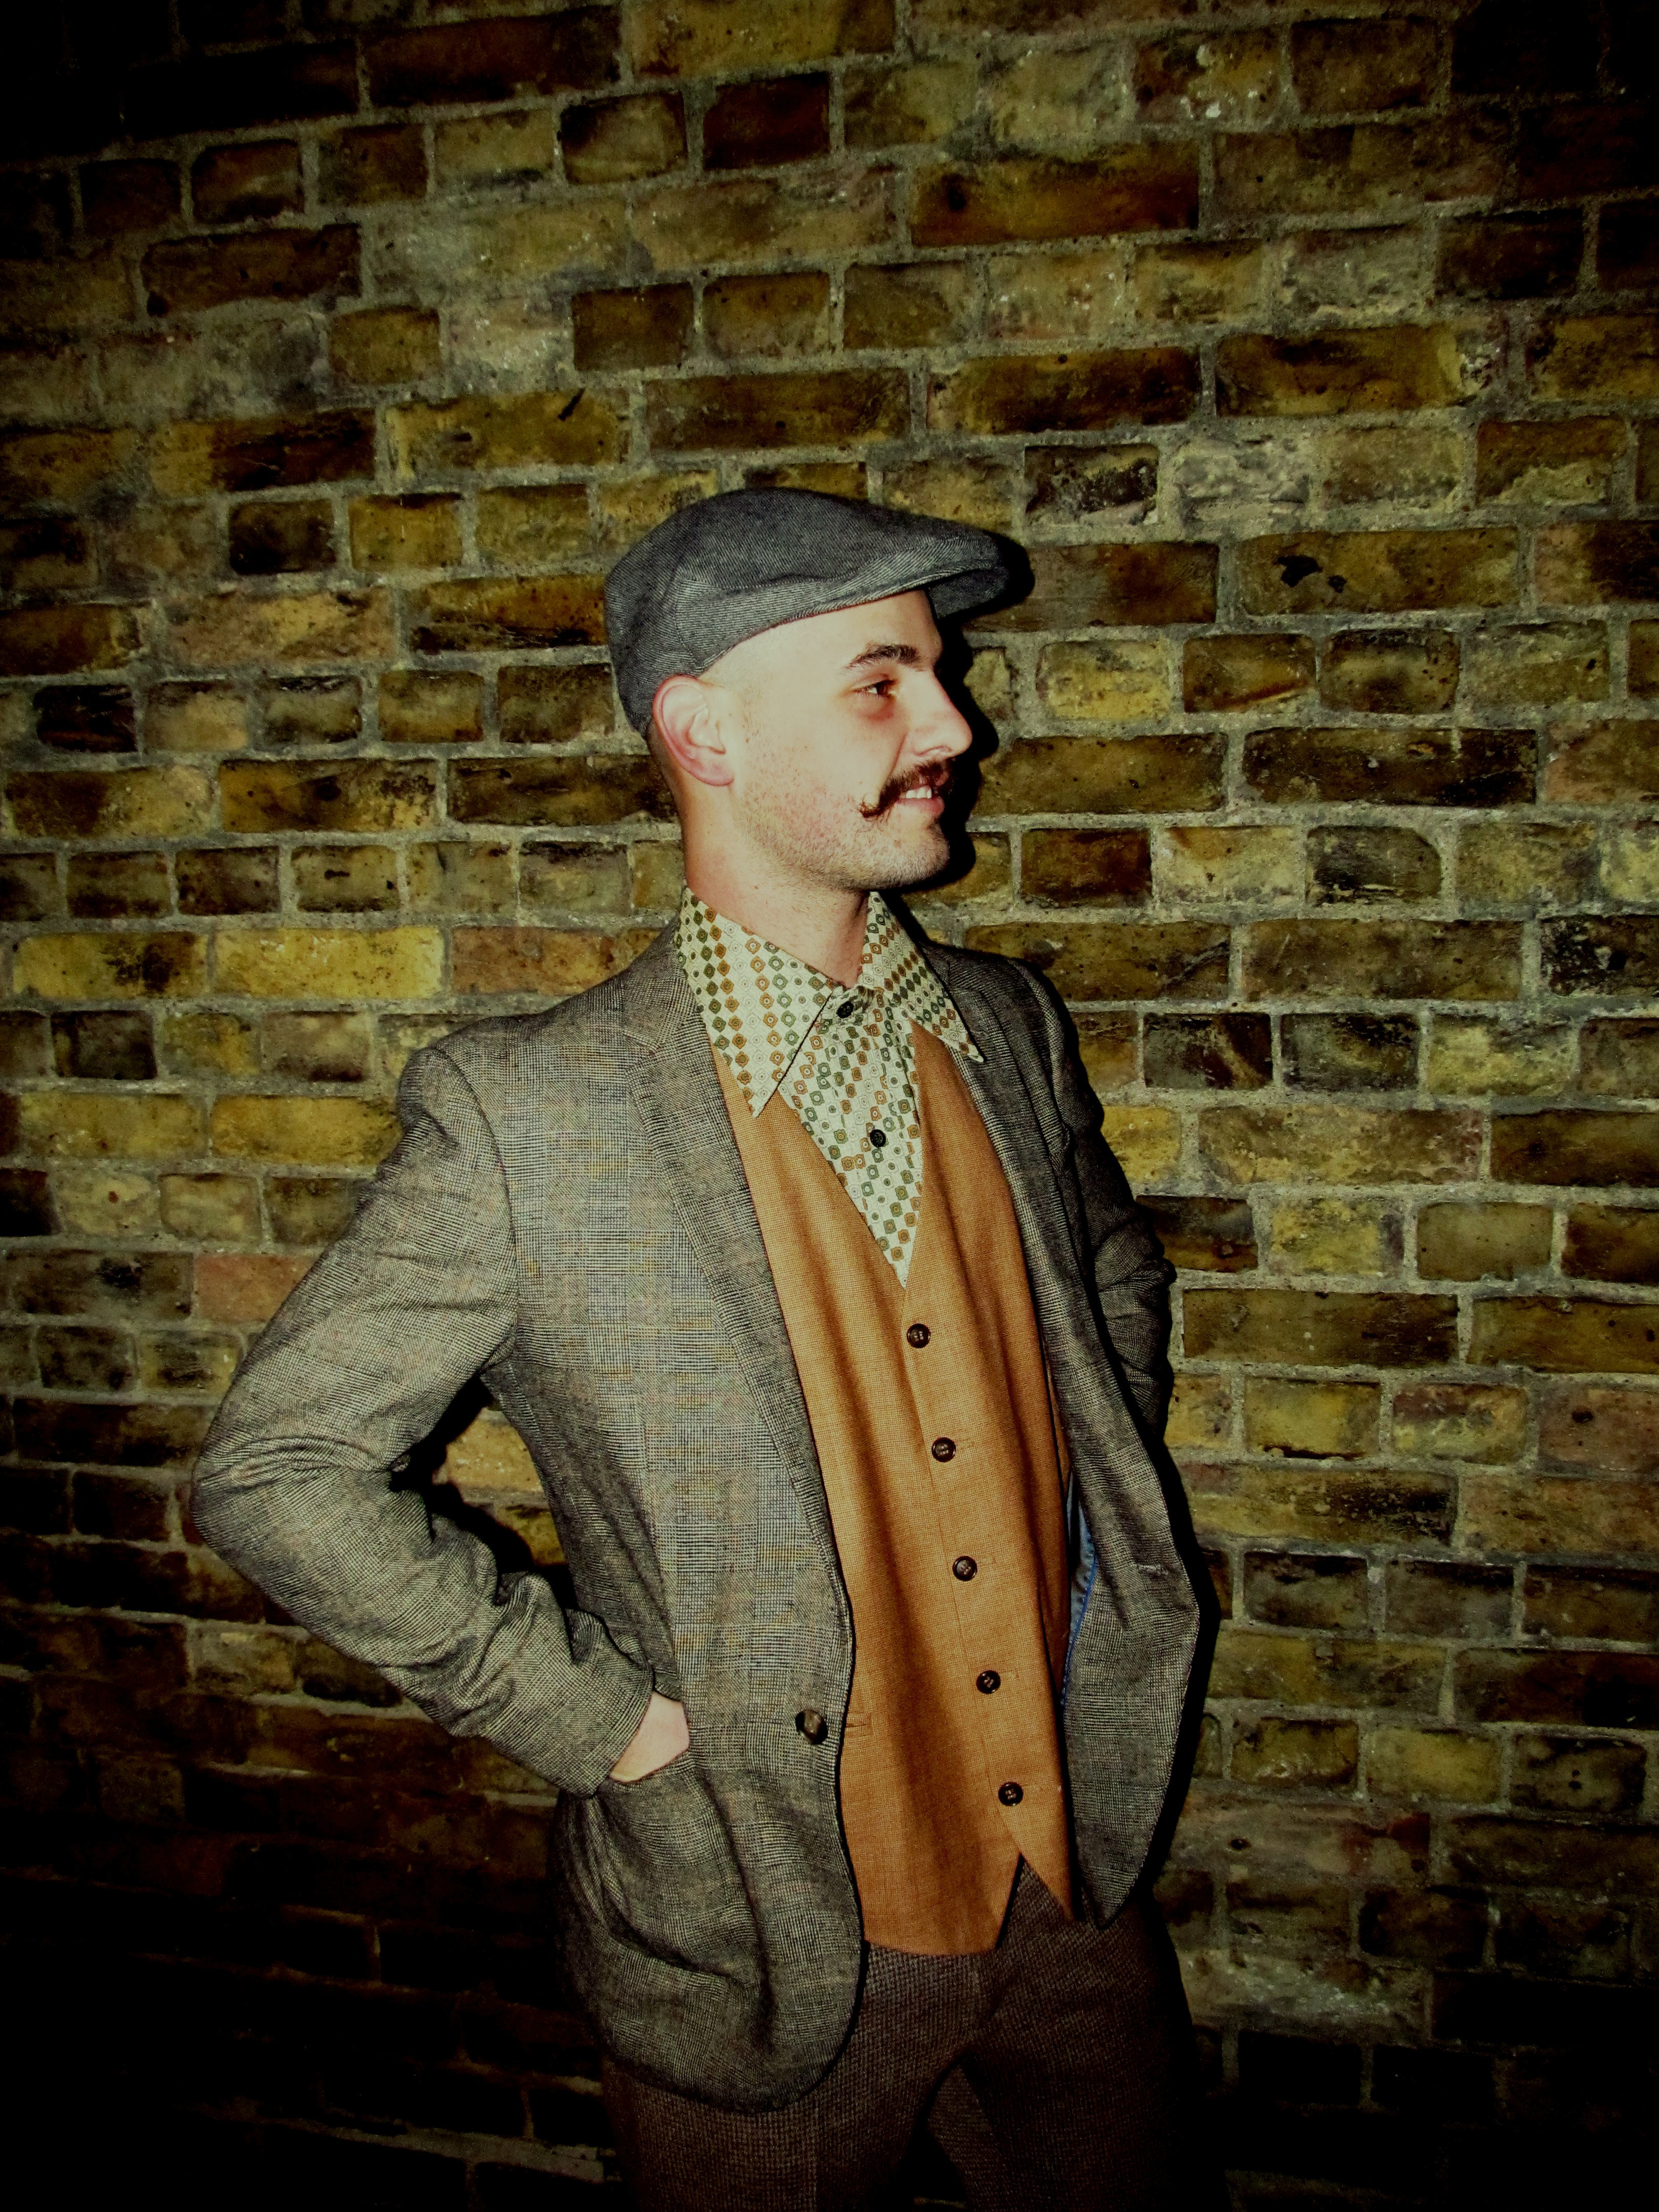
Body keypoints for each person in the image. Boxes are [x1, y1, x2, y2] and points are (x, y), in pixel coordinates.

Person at [193, 490, 1220, 2209]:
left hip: (1075, 1894)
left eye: (940, 673)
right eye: (882, 682)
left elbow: (1113, 1269)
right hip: (752, 1925)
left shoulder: (1007, 1028)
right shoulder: (532, 1115)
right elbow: (278, 1471)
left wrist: (1094, 1508)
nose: (955, 725)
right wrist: (608, 1726)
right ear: (706, 733)